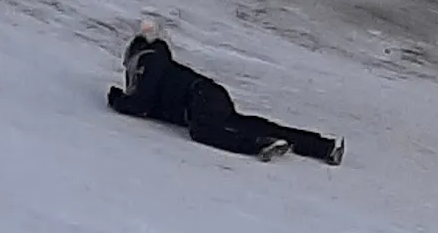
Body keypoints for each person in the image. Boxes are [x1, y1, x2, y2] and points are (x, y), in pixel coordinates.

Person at [107, 23, 344, 166]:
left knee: (205, 132)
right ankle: (323, 147)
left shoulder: (150, 61)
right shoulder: (162, 64)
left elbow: (140, 103)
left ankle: (259, 145)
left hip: (198, 98)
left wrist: (117, 99)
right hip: (208, 93)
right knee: (250, 123)